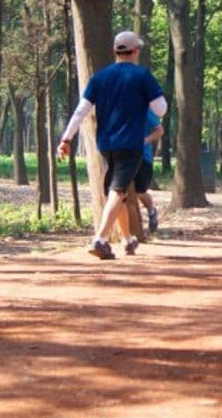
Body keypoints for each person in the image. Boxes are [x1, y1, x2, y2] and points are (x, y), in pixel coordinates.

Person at [58, 30, 167, 260]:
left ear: (115, 51)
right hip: (131, 144)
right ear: (136, 50)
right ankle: (100, 239)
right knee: (118, 191)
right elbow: (161, 109)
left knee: (118, 195)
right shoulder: (142, 76)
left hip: (106, 145)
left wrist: (66, 139)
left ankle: (128, 240)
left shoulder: (99, 77)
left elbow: (81, 111)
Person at [133, 108, 164, 235]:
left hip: (143, 158)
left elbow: (159, 130)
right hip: (123, 156)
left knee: (139, 192)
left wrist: (144, 140)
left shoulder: (145, 110)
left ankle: (151, 211)